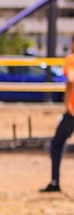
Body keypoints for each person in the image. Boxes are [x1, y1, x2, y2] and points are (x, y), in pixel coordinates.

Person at [41, 35, 74, 192]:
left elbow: (71, 79)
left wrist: (68, 104)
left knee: (56, 144)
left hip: (72, 112)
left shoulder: (71, 59)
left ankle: (55, 181)